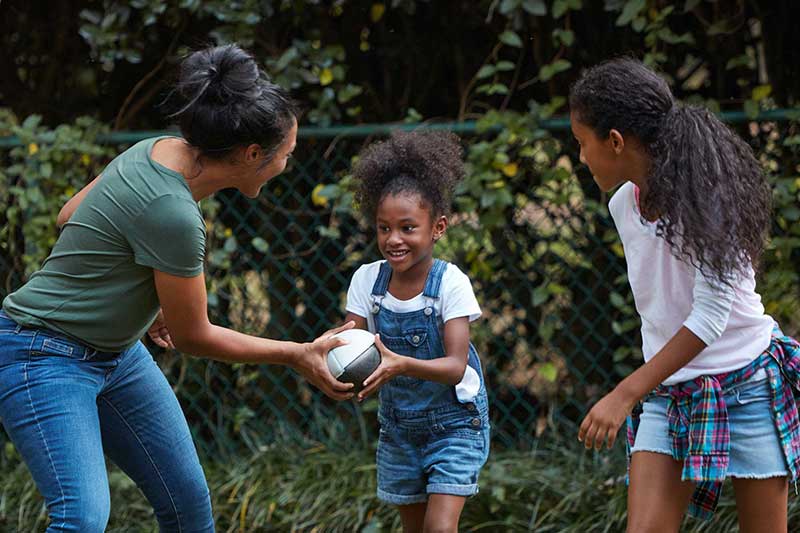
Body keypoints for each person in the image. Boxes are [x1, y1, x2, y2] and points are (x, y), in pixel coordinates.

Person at [0, 44, 354, 532]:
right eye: (286, 155)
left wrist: (151, 296)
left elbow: (71, 216)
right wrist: (297, 354)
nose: (286, 166)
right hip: (42, 353)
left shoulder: (157, 149)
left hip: (116, 355)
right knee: (80, 518)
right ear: (253, 155)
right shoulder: (175, 215)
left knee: (187, 505)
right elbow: (194, 337)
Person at [569, 57, 800, 533]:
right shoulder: (622, 205)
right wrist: (643, 390)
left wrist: (624, 393)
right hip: (670, 394)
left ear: (614, 141)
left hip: (750, 384)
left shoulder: (710, 204)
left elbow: (710, 317)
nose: (580, 157)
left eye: (581, 143)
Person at [342, 130, 490, 533]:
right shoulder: (366, 281)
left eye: (407, 228)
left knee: (439, 528)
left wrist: (399, 364)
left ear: (438, 227)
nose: (393, 239)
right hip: (399, 429)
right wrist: (331, 357)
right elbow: (349, 342)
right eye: (383, 228)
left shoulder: (450, 284)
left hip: (454, 425)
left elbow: (456, 366)